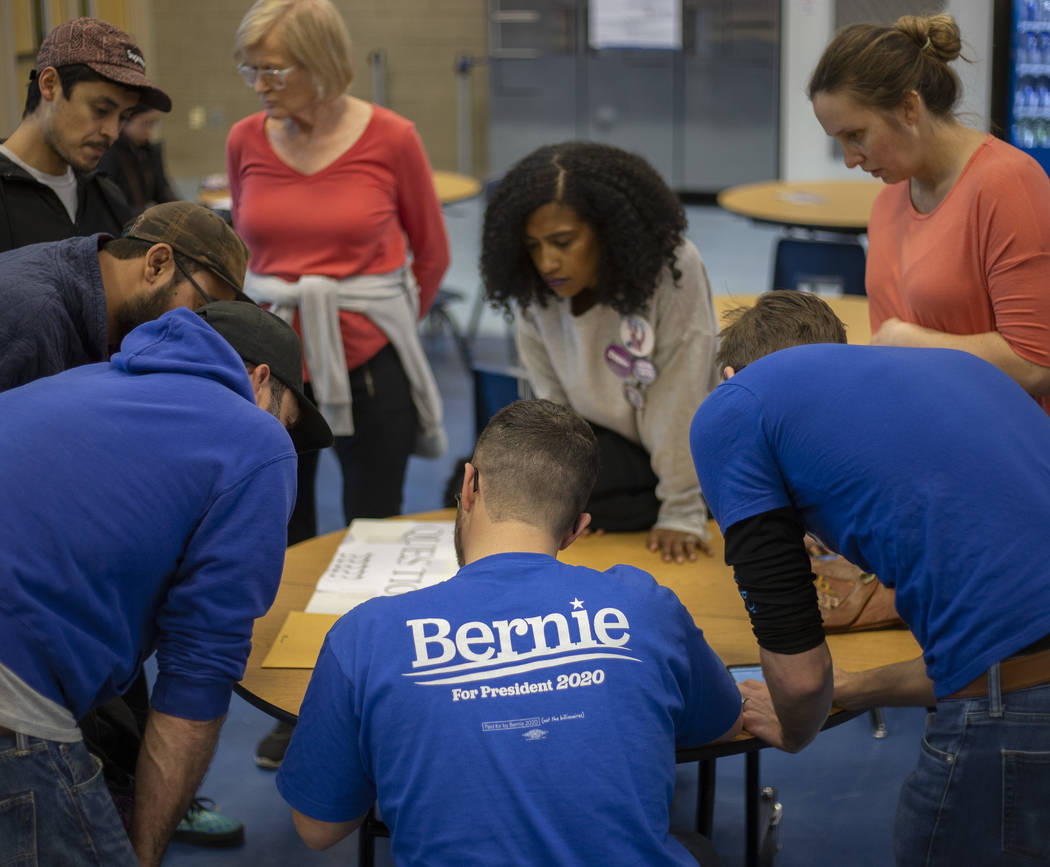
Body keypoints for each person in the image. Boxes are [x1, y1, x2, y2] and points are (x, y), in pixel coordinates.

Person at [276, 399, 742, 864]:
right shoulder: (646, 605)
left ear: (469, 485)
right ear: (576, 529)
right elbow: (720, 721)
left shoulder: (364, 635)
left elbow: (318, 828)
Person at [689, 290, 1050, 866]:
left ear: (731, 377)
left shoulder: (735, 407)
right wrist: (853, 688)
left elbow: (801, 679)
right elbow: (987, 655)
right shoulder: (955, 373)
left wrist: (797, 726)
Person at [0, 300, 333, 866]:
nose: (283, 435)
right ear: (259, 381)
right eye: (288, 419)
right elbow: (197, 676)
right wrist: (144, 854)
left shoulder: (80, 380)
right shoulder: (254, 438)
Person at [227, 0, 450, 770]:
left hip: (369, 357)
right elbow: (240, 259)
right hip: (274, 363)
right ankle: (303, 702)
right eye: (249, 67)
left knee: (374, 533)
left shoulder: (392, 138)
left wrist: (380, 328)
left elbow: (431, 255)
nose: (258, 83)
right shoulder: (246, 140)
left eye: (273, 68)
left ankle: (376, 696)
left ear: (322, 63)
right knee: (282, 533)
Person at [481, 141, 719, 565]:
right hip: (602, 442)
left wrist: (681, 511)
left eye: (563, 241)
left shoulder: (673, 269)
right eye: (534, 246)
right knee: (482, 482)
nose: (547, 262)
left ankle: (693, 498)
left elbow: (681, 400)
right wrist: (564, 498)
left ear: (608, 232)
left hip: (684, 443)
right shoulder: (534, 288)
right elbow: (553, 408)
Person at [808, 13, 1050, 415]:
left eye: (856, 135)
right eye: (840, 142)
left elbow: (1036, 362)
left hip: (1005, 453)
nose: (851, 159)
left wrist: (912, 341)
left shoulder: (1008, 184)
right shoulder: (889, 201)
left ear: (908, 107)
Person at [0, 200, 251, 391]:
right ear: (158, 264)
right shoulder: (34, 319)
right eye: (202, 307)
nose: (199, 328)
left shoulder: (85, 276)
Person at [0, 17, 171, 252]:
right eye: (101, 110)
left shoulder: (107, 197)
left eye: (123, 117)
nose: (112, 133)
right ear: (50, 85)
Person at [98, 105, 178, 215]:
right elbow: (108, 202)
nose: (150, 130)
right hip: (123, 221)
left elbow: (163, 190)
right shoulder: (110, 153)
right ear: (125, 122)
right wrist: (145, 213)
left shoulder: (149, 151)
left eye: (153, 123)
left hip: (145, 218)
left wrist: (180, 209)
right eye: (145, 123)